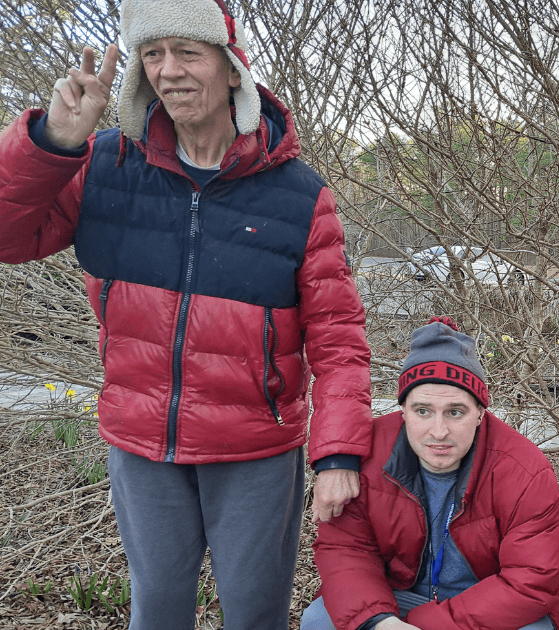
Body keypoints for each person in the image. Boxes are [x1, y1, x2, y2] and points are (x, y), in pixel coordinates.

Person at [0, 1, 372, 628]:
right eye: (153, 54)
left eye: (187, 53)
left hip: (254, 450)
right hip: (143, 445)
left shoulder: (299, 196)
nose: (168, 70)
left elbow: (339, 341)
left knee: (254, 615)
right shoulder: (105, 167)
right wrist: (54, 143)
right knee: (158, 613)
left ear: (232, 68)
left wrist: (337, 454)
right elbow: (9, 237)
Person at [302, 317, 559, 630]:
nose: (439, 432)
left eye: (455, 412)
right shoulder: (365, 454)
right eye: (423, 411)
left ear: (479, 413)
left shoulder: (523, 469)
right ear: (403, 410)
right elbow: (346, 549)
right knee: (319, 620)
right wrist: (382, 623)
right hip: (400, 596)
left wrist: (426, 625)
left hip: (491, 602)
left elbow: (529, 581)